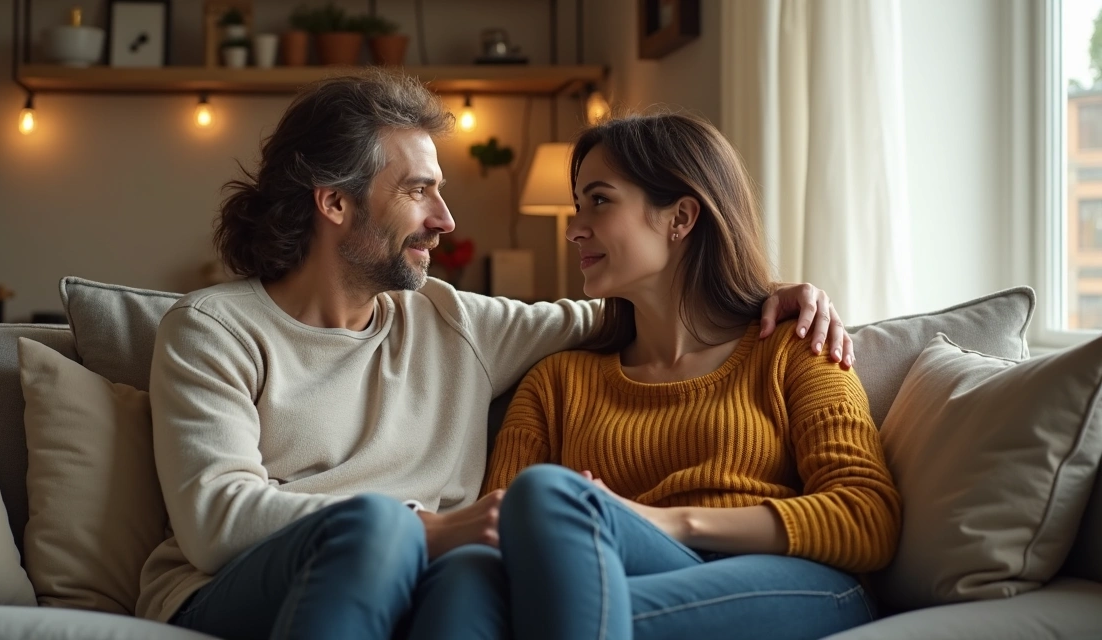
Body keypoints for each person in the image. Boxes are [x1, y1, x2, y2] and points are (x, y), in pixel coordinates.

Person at [134, 69, 855, 640]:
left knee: (470, 577)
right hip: (237, 587)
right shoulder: (214, 329)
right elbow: (215, 521)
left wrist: (765, 295)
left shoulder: (456, 322)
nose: (446, 220)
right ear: (335, 204)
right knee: (387, 533)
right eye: (419, 191)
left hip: (423, 578)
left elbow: (644, 307)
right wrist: (423, 527)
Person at [482, 113, 901, 640]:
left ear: (680, 217)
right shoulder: (556, 383)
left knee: (556, 580)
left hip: (792, 581)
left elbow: (866, 515)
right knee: (522, 526)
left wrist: (667, 519)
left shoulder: (794, 348)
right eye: (577, 205)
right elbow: (493, 536)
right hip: (627, 578)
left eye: (599, 201)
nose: (573, 229)